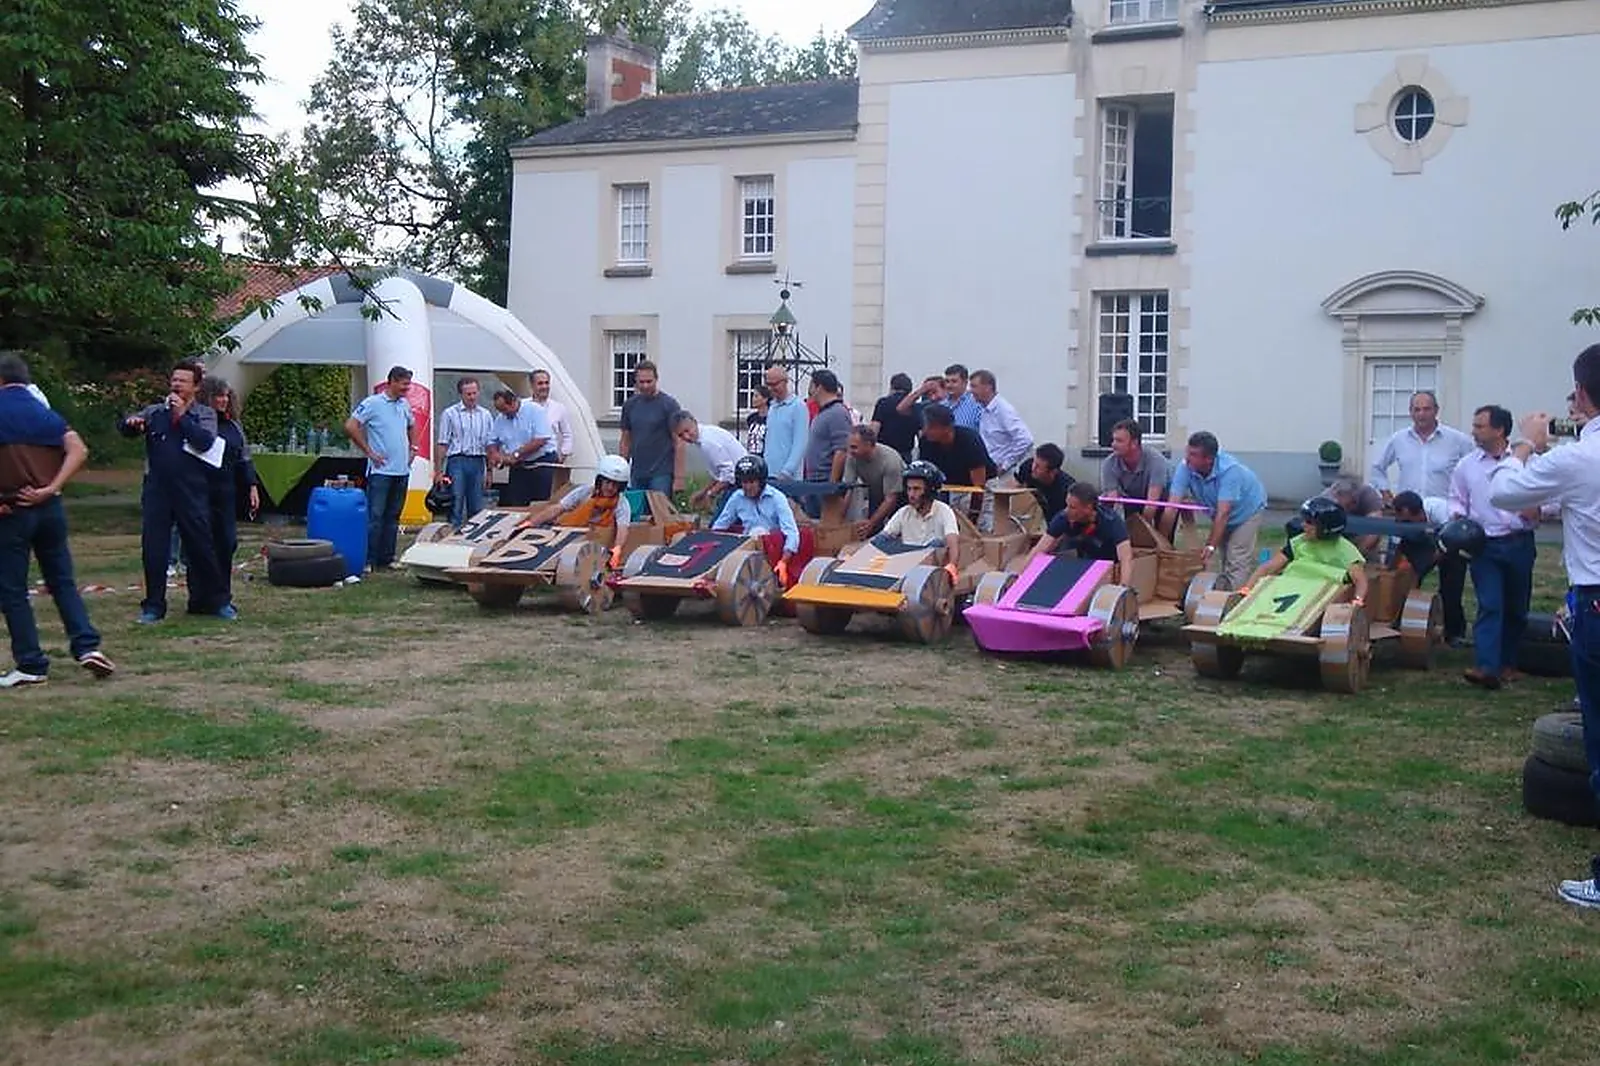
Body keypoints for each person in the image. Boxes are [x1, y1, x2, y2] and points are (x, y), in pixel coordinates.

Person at [1485, 345, 1600, 908]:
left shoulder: (1578, 456)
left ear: (1581, 395)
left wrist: (1525, 444)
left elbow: (1505, 491)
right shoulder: (1579, 462)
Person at [0, 352, 115, 686]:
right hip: (50, 509)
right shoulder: (44, 413)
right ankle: (86, 646)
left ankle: (31, 663)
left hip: (12, 510)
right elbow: (78, 449)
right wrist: (52, 487)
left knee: (12, 590)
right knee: (62, 581)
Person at [119, 361, 230, 621]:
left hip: (191, 489)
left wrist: (181, 418)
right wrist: (131, 423)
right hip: (158, 489)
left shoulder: (204, 414)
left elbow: (204, 442)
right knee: (154, 548)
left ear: (196, 387)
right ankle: (153, 606)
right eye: (174, 380)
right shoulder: (156, 411)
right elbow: (126, 427)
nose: (177, 385)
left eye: (183, 381)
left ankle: (216, 601)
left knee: (201, 546)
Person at [1449, 404, 1537, 690]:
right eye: (1474, 426)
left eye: (1479, 426)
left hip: (1519, 543)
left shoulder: (1529, 462)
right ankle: (1486, 667)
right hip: (1483, 545)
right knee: (1490, 605)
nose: (1473, 432)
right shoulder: (1467, 465)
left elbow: (1548, 498)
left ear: (1499, 430)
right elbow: (1456, 500)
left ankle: (1508, 663)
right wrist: (1458, 521)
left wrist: (1536, 510)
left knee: (1516, 607)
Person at [1166, 431, 1268, 592]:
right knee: (1225, 556)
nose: (1187, 457)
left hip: (1247, 511)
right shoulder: (1185, 466)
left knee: (1236, 557)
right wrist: (1163, 541)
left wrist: (1210, 546)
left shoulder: (1230, 471)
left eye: (1193, 454)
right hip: (1220, 512)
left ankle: (1232, 604)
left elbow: (1224, 513)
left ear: (1208, 459)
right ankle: (1220, 596)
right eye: (1187, 451)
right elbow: (1171, 507)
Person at [345, 366, 418, 571]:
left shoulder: (404, 405)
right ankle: (369, 559)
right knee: (375, 516)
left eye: (408, 384)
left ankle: (387, 557)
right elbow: (351, 425)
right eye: (404, 384)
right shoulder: (373, 403)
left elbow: (412, 425)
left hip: (401, 470)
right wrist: (369, 451)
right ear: (392, 382)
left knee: (393, 516)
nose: (407, 388)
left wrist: (413, 447)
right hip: (380, 471)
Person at [197, 377, 259, 614]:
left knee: (227, 543)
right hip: (200, 490)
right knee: (202, 545)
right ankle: (202, 598)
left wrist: (252, 486)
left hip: (226, 492)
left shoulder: (234, 426)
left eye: (225, 395)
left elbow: (245, 458)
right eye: (217, 396)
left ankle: (222, 597)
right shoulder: (199, 423)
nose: (222, 400)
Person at [1237, 497, 1370, 606]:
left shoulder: (1346, 550)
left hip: (1319, 597)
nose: (1303, 525)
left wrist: (1358, 600)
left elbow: (1360, 580)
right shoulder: (1299, 542)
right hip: (1290, 590)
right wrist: (1247, 589)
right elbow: (1268, 567)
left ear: (1325, 528)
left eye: (1309, 522)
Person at [519, 454, 634, 568]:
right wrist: (532, 522)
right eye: (607, 482)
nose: (610, 488)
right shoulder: (584, 492)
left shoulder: (622, 504)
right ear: (600, 481)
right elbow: (558, 508)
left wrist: (617, 549)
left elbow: (622, 529)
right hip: (571, 535)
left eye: (615, 485)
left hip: (597, 543)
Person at [1369, 390, 1475, 503]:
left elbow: (1475, 470)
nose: (1421, 414)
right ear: (1410, 412)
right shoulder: (1398, 439)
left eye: (1426, 409)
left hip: (1444, 512)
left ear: (1436, 410)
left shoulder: (1458, 440)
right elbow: (1377, 467)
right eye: (1417, 410)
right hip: (1408, 513)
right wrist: (1386, 493)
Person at [712, 455, 801, 586]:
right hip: (744, 547)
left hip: (771, 549)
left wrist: (783, 562)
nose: (747, 487)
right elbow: (719, 526)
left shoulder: (777, 498)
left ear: (761, 481)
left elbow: (792, 533)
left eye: (752, 482)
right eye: (744, 482)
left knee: (759, 532)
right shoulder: (737, 497)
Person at [1028, 481, 1135, 582]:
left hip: (1106, 565)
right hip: (1080, 561)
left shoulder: (1111, 522)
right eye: (1067, 505)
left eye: (1072, 507)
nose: (1067, 511)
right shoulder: (1063, 517)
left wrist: (1123, 587)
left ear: (1088, 508)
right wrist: (1019, 576)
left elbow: (1126, 558)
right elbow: (1039, 549)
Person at [881, 461, 961, 583]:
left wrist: (952, 565)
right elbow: (882, 538)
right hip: (904, 567)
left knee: (937, 543)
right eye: (909, 489)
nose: (911, 495)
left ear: (930, 491)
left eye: (917, 489)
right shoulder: (903, 512)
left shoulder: (944, 511)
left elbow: (953, 541)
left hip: (931, 572)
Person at [434, 376, 494, 529]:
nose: (472, 397)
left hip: (478, 461)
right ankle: (451, 536)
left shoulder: (486, 415)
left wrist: (490, 471)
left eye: (474, 393)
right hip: (457, 461)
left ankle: (473, 538)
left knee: (476, 505)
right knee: (456, 502)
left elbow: (489, 445)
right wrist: (439, 471)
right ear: (461, 394)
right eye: (468, 394)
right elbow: (442, 443)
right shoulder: (450, 413)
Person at [618, 361, 682, 494]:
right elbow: (625, 440)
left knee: (659, 512)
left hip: (662, 472)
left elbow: (679, 442)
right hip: (637, 472)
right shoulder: (630, 405)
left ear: (656, 380)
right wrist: (621, 470)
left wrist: (679, 477)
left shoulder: (669, 405)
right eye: (641, 382)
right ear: (635, 381)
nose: (645, 386)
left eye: (649, 381)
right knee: (637, 511)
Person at [486, 388, 556, 506]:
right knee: (517, 502)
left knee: (541, 503)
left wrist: (516, 454)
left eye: (504, 409)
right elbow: (492, 441)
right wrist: (495, 455)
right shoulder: (501, 418)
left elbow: (541, 439)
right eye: (500, 411)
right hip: (519, 467)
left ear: (513, 402)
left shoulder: (535, 410)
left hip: (541, 463)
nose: (503, 413)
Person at [670, 410, 748, 512]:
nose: (686, 437)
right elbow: (719, 473)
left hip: (744, 483)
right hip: (738, 481)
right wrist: (704, 491)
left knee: (719, 524)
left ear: (694, 422)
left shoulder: (708, 442)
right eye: (681, 435)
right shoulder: (705, 436)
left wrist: (711, 494)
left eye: (687, 431)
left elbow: (729, 474)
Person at [803, 369, 853, 517]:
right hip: (814, 480)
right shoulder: (823, 412)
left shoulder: (837, 413)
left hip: (824, 481)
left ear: (819, 387)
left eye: (811, 385)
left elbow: (841, 450)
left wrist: (831, 484)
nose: (809, 390)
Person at [842, 424, 904, 539]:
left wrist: (871, 523)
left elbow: (891, 499)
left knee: (895, 532)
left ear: (868, 445)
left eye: (854, 447)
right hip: (876, 493)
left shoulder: (890, 461)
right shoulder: (852, 457)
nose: (850, 451)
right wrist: (838, 519)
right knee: (871, 533)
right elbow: (847, 489)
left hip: (900, 496)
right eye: (849, 447)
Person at [1100, 419, 1169, 517]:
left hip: (1161, 501)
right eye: (1113, 440)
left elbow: (1152, 503)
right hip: (1131, 501)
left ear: (1134, 443)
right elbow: (1111, 501)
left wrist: (1143, 530)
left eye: (1119, 441)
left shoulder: (1156, 461)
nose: (1113, 445)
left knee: (1159, 526)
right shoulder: (1109, 463)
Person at [970, 369, 1034, 473]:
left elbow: (1026, 440)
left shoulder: (1003, 410)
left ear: (988, 387)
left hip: (1003, 474)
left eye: (974, 386)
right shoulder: (984, 410)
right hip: (989, 470)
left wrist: (1006, 465)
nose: (970, 390)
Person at [1320, 475, 1387, 559]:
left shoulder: (1368, 494)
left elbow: (1375, 528)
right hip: (1336, 539)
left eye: (1342, 497)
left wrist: (1356, 556)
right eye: (1336, 497)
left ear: (1352, 493)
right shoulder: (1326, 497)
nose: (1337, 500)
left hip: (1362, 538)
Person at [762, 365, 806, 482]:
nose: (771, 388)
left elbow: (800, 442)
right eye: (768, 384)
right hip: (769, 473)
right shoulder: (772, 407)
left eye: (775, 384)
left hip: (788, 477)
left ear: (785, 382)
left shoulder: (798, 406)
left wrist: (787, 471)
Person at [1014, 443, 1074, 522]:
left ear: (1053, 472)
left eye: (1038, 466)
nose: (1033, 468)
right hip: (1030, 514)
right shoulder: (1027, 467)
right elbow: (1014, 486)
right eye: (1034, 462)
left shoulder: (1066, 489)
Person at [869, 373, 920, 461]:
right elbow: (920, 434)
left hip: (884, 452)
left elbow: (874, 429)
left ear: (892, 387)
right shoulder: (914, 407)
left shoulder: (883, 403)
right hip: (905, 453)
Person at [530, 369, 573, 465]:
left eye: (547, 383)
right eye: (540, 383)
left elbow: (567, 434)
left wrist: (563, 454)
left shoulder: (558, 408)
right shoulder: (523, 406)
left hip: (549, 459)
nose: (544, 387)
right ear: (532, 386)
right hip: (525, 459)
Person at [745, 386, 772, 455]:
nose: (753, 399)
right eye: (753, 396)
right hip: (752, 454)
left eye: (756, 396)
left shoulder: (771, 418)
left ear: (765, 399)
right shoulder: (751, 418)